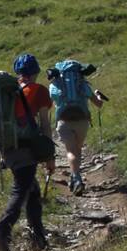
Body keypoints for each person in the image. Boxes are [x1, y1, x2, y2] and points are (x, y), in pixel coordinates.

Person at [0, 53, 58, 251]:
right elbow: (46, 125)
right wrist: (50, 155)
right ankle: (1, 233)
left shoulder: (8, 93)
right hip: (27, 150)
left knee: (32, 192)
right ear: (36, 72)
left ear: (18, 73)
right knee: (21, 190)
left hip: (8, 149)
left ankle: (39, 240)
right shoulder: (38, 91)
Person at [48, 60, 110, 194]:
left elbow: (50, 103)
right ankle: (75, 177)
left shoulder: (55, 84)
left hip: (64, 121)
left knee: (71, 151)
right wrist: (98, 95)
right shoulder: (83, 84)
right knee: (77, 149)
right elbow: (98, 104)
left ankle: (76, 177)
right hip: (82, 121)